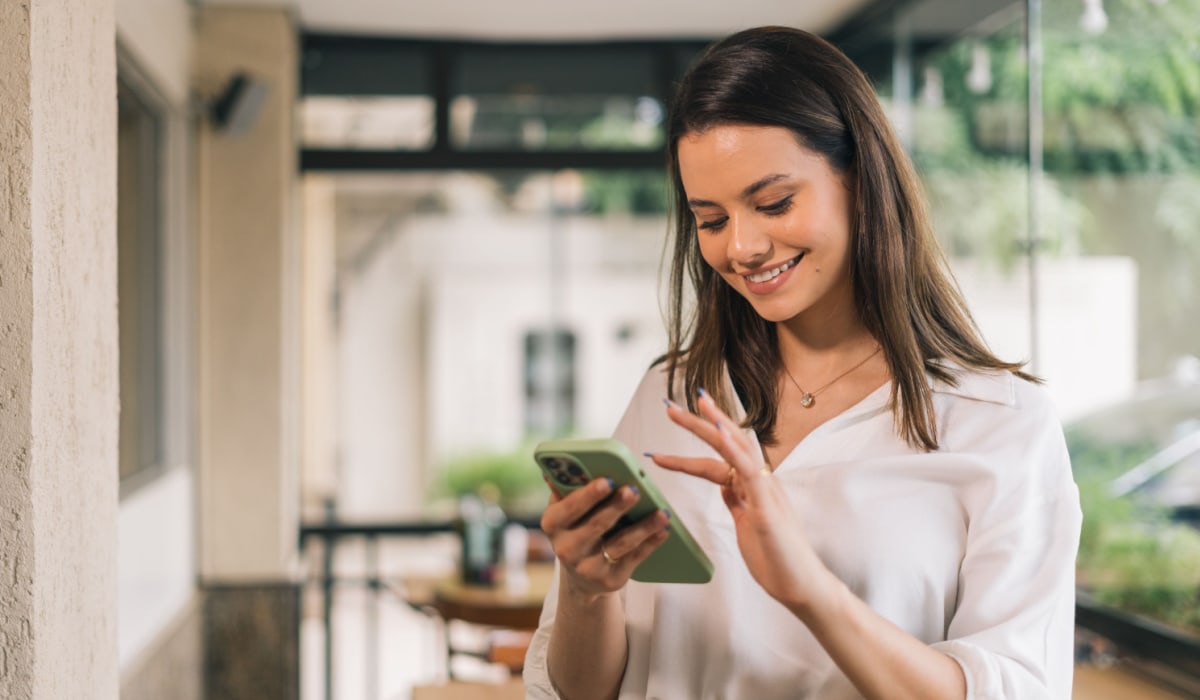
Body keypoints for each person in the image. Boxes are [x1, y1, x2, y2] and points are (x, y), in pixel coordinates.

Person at [524, 26, 1082, 700]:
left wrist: (810, 590)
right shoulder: (670, 396)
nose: (743, 247)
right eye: (710, 219)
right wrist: (586, 591)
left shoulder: (1000, 423)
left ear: (860, 178)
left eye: (774, 203)